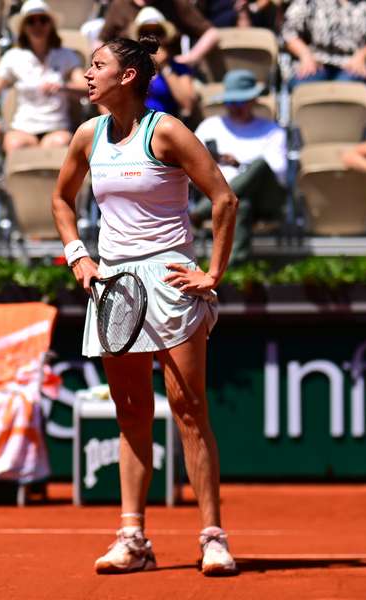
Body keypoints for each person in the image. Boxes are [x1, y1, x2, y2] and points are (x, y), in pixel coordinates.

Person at [51, 35, 239, 576]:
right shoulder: (88, 135)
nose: (88, 75)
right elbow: (61, 199)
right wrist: (78, 256)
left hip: (171, 282)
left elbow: (224, 198)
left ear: (128, 76)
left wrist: (212, 273)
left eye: (98, 66)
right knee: (131, 413)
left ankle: (212, 539)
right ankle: (132, 538)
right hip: (113, 287)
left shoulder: (169, 131)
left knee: (189, 410)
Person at [192, 69, 286, 264]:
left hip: (264, 199)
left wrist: (240, 164)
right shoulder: (210, 126)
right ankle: (231, 270)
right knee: (241, 204)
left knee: (260, 165)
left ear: (253, 100)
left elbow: (278, 171)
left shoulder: (272, 130)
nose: (235, 107)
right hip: (225, 199)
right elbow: (189, 164)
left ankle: (199, 212)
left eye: (240, 101)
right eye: (230, 102)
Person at [0, 0, 87, 155]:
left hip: (57, 127)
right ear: (24, 27)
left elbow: (87, 89)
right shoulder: (13, 57)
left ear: (50, 24)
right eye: (31, 21)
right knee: (15, 145)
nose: (38, 25)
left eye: (43, 20)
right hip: (23, 128)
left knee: (58, 144)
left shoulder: (66, 55)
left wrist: (63, 88)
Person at [283, 0, 366, 89]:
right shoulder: (308, 2)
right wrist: (305, 54)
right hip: (317, 61)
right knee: (303, 86)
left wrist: (363, 55)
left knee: (345, 89)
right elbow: (289, 32)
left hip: (353, 64)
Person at [99, 0, 219, 67]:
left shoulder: (175, 4)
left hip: (168, 71)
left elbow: (211, 33)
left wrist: (190, 58)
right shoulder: (120, 5)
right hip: (129, 70)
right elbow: (101, 41)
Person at [131, 6, 196, 121]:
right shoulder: (129, 66)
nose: (152, 38)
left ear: (165, 37)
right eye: (145, 33)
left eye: (157, 32)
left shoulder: (179, 68)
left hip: (164, 127)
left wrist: (165, 67)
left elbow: (187, 105)